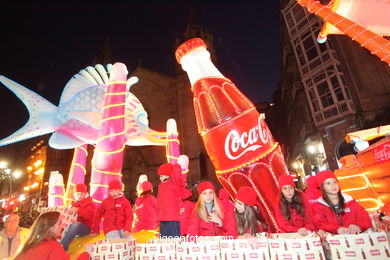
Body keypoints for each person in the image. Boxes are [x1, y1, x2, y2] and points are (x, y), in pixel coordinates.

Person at [314, 170, 372, 234]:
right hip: (335, 241)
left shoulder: (350, 201)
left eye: (335, 182)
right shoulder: (319, 205)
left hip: (355, 240)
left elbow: (365, 218)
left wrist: (357, 225)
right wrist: (336, 228)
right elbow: (319, 224)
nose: (333, 185)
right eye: (328, 183)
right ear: (322, 187)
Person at [60, 184, 96, 251]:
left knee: (77, 225)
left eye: (82, 193)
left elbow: (87, 216)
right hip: (72, 227)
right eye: (78, 193)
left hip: (86, 228)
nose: (79, 195)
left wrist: (78, 210)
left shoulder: (90, 204)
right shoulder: (72, 203)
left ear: (85, 194)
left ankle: (62, 247)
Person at [157, 163, 185, 237]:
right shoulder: (160, 186)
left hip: (173, 218)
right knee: (164, 242)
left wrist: (175, 167)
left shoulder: (173, 183)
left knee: (174, 241)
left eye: (161, 176)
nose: (160, 178)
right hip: (163, 219)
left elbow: (179, 180)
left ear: (167, 174)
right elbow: (158, 203)